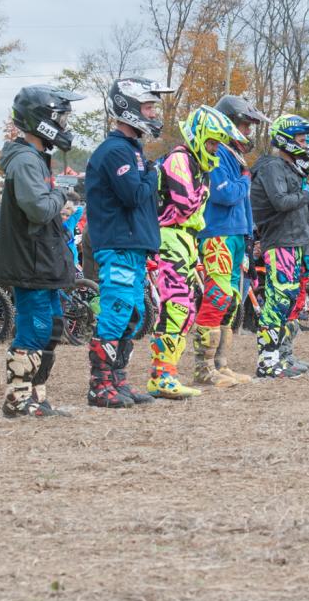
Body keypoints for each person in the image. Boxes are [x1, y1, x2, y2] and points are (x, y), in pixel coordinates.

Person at [0, 86, 83, 418]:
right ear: (42, 120)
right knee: (35, 325)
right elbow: (37, 208)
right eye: (60, 118)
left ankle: (36, 394)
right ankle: (18, 399)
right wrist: (62, 196)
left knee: (52, 326)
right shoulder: (25, 160)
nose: (64, 125)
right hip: (29, 259)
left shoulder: (36, 158)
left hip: (43, 257)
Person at [85, 77, 171, 407]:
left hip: (134, 245)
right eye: (148, 107)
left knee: (134, 313)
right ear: (130, 108)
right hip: (118, 243)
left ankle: (118, 380)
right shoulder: (115, 151)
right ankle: (99, 384)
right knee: (117, 311)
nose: (152, 113)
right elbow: (134, 193)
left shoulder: (131, 151)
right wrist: (154, 173)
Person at [150, 106, 245, 398]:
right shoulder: (180, 159)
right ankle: (161, 374)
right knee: (176, 306)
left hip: (187, 238)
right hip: (171, 236)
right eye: (212, 143)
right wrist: (203, 191)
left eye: (217, 144)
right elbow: (185, 204)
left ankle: (169, 372)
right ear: (198, 136)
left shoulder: (196, 164)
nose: (215, 149)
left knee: (188, 308)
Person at [193, 94, 262, 388]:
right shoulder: (218, 152)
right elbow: (225, 194)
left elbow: (242, 201)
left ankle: (221, 364)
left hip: (236, 233)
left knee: (232, 300)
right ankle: (203, 367)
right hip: (217, 233)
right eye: (245, 125)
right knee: (217, 296)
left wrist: (250, 234)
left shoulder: (236, 155)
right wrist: (246, 179)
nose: (248, 132)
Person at [250, 113, 309, 378]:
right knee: (277, 300)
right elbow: (280, 201)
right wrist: (305, 193)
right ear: (288, 139)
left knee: (290, 299)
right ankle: (267, 360)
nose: (306, 145)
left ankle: (281, 355)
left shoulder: (291, 167)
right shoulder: (272, 167)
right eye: (302, 139)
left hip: (295, 241)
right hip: (278, 240)